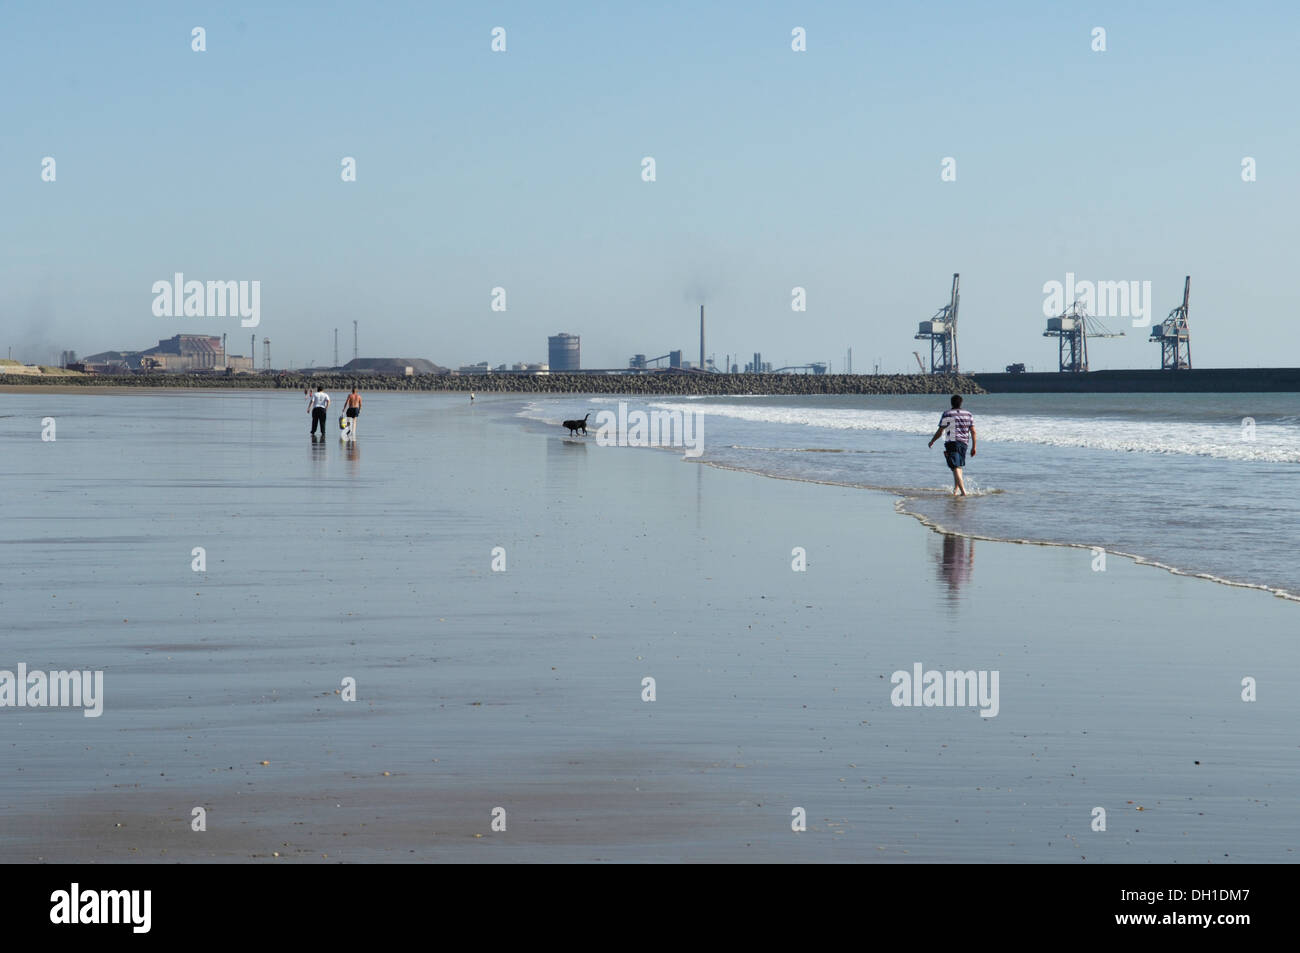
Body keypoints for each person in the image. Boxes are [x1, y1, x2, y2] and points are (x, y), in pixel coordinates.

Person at [927, 394, 976, 496]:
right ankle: (955, 491)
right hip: (964, 443)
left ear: (951, 403)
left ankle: (963, 492)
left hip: (952, 442)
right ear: (961, 403)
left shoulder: (947, 414)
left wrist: (932, 441)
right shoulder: (968, 414)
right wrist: (974, 447)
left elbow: (941, 430)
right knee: (958, 466)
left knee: (955, 466)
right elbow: (973, 432)